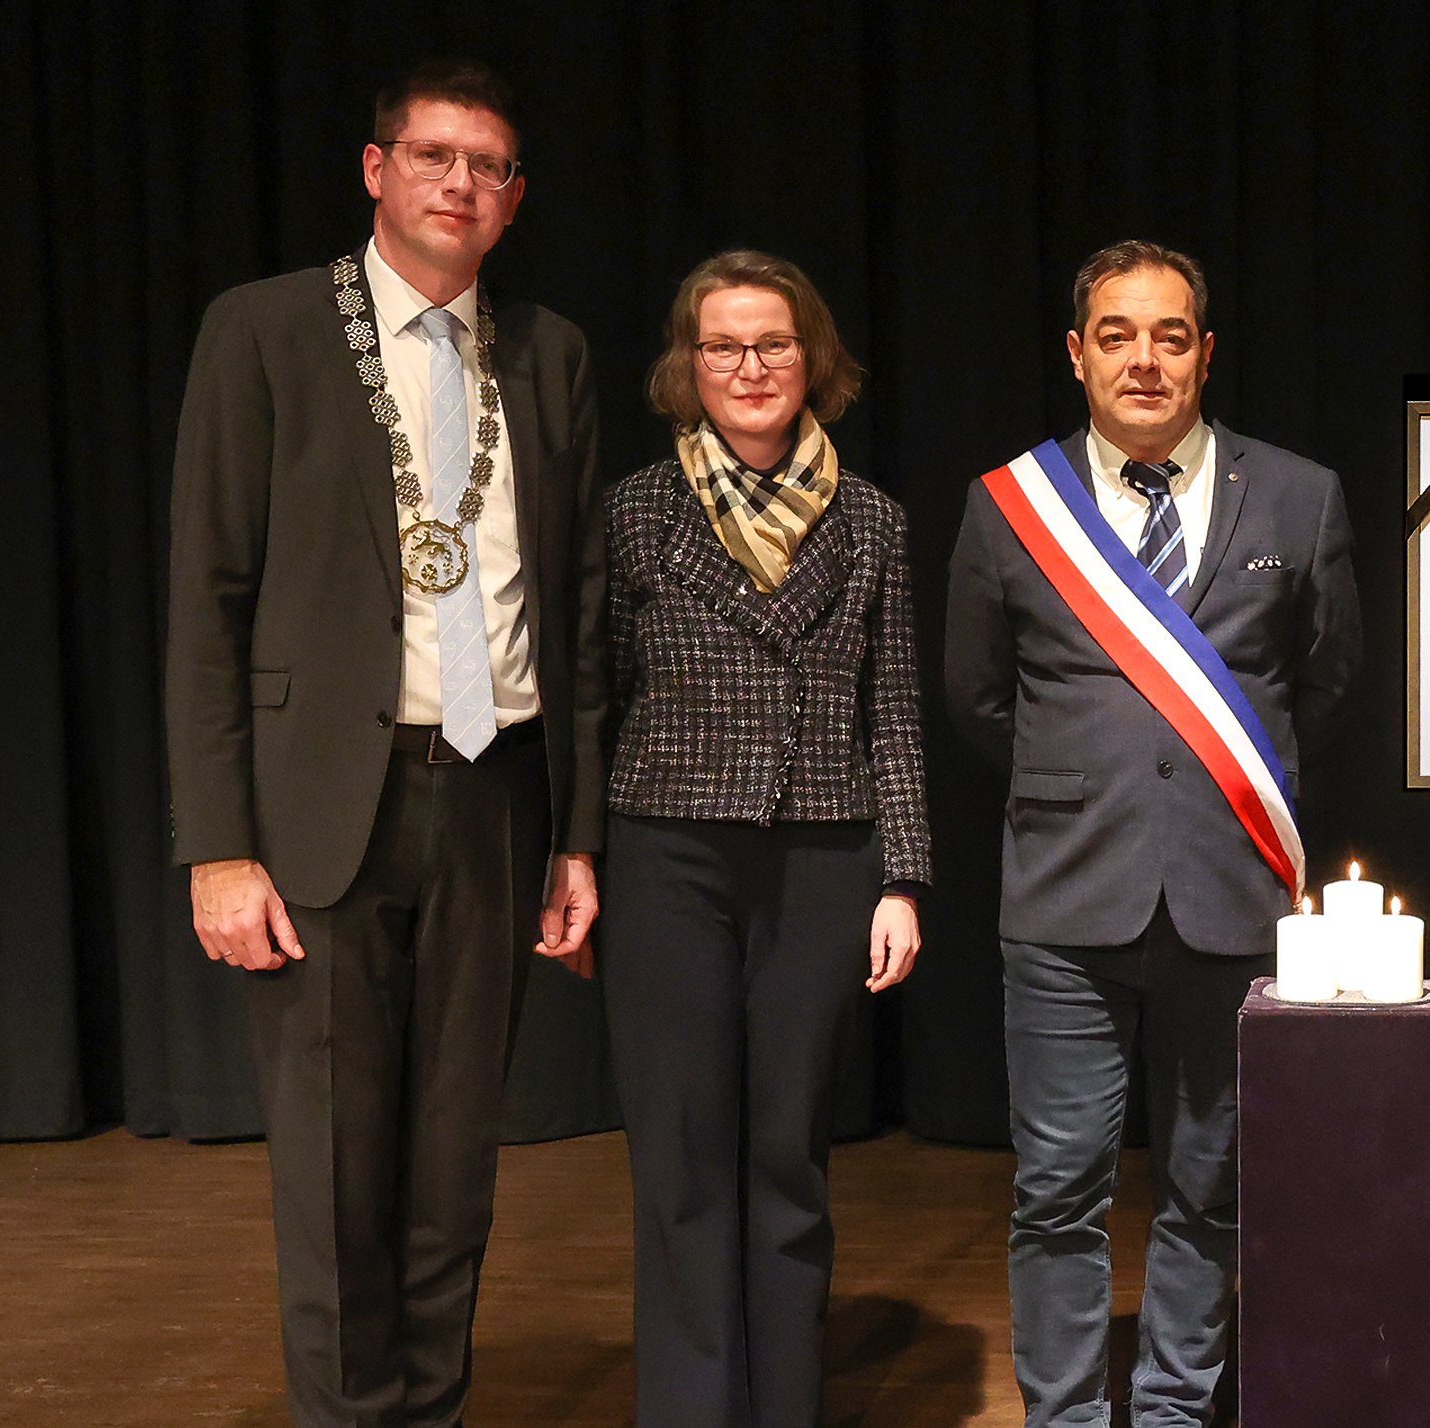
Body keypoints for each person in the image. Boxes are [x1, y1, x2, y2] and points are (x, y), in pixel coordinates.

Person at [164, 60, 603, 1427]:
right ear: (376, 169)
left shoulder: (551, 350)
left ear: (514, 198)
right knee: (339, 1166)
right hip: (319, 810)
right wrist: (219, 849)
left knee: (454, 1162)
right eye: (434, 156)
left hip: (496, 792)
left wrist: (578, 834)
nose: (459, 183)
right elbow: (206, 603)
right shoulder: (267, 331)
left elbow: (578, 603)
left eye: (487, 167)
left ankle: (433, 1409)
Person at [942, 240, 1361, 1428]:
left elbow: (1326, 687)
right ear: (1076, 355)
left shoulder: (1299, 494)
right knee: (1059, 1189)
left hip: (1233, 894)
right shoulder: (1008, 503)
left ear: (1205, 352)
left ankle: (1175, 1409)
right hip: (1068, 899)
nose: (1144, 360)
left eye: (1169, 336)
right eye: (1116, 335)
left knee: (1211, 1183)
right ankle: (1066, 1415)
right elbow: (978, 697)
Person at [598, 250, 931, 1427]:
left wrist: (902, 876)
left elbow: (891, 706)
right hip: (666, 855)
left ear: (813, 360)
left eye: (774, 343)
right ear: (690, 366)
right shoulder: (636, 510)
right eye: (724, 345)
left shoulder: (875, 520)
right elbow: (600, 695)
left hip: (822, 859)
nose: (750, 366)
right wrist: (573, 865)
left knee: (788, 1156)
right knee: (682, 1162)